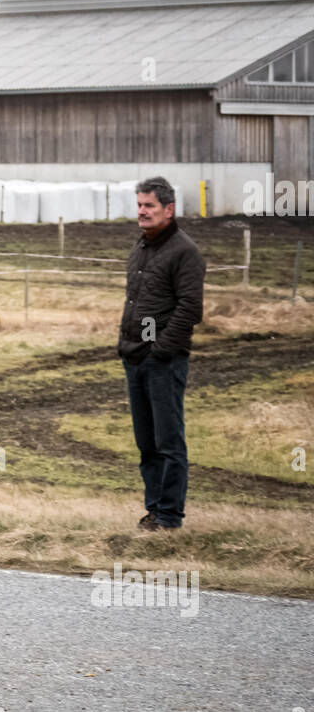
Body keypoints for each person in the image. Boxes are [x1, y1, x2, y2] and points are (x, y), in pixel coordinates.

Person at [117, 176, 205, 531]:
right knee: (147, 442)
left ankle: (169, 516)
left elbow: (189, 308)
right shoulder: (142, 246)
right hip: (134, 357)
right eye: (139, 205)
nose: (142, 211)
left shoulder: (184, 251)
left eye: (149, 205)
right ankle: (154, 510)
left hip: (162, 362)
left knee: (168, 441)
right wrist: (127, 344)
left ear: (169, 209)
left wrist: (161, 349)